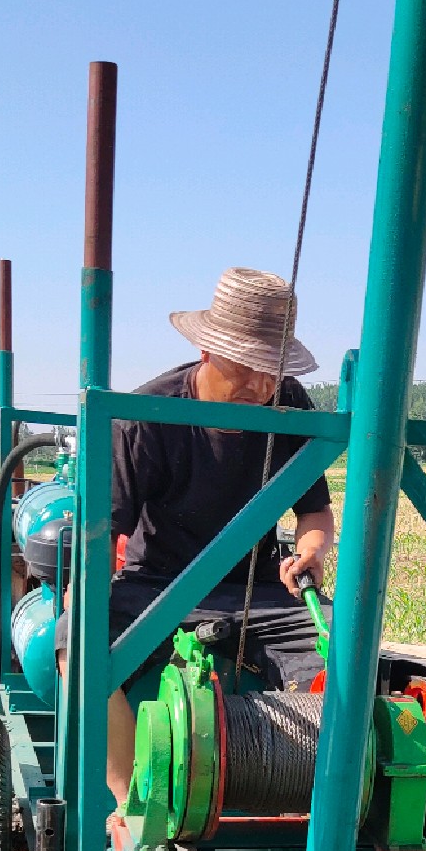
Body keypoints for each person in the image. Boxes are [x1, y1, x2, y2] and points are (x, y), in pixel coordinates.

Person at [56, 267, 334, 809]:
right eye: (246, 365)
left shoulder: (292, 407)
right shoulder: (146, 417)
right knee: (75, 644)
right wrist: (85, 590)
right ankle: (132, 800)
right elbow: (103, 533)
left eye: (271, 369)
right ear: (208, 349)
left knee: (348, 649)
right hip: (156, 585)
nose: (260, 384)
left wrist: (312, 547)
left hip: (259, 590)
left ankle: (324, 799)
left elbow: (315, 511)